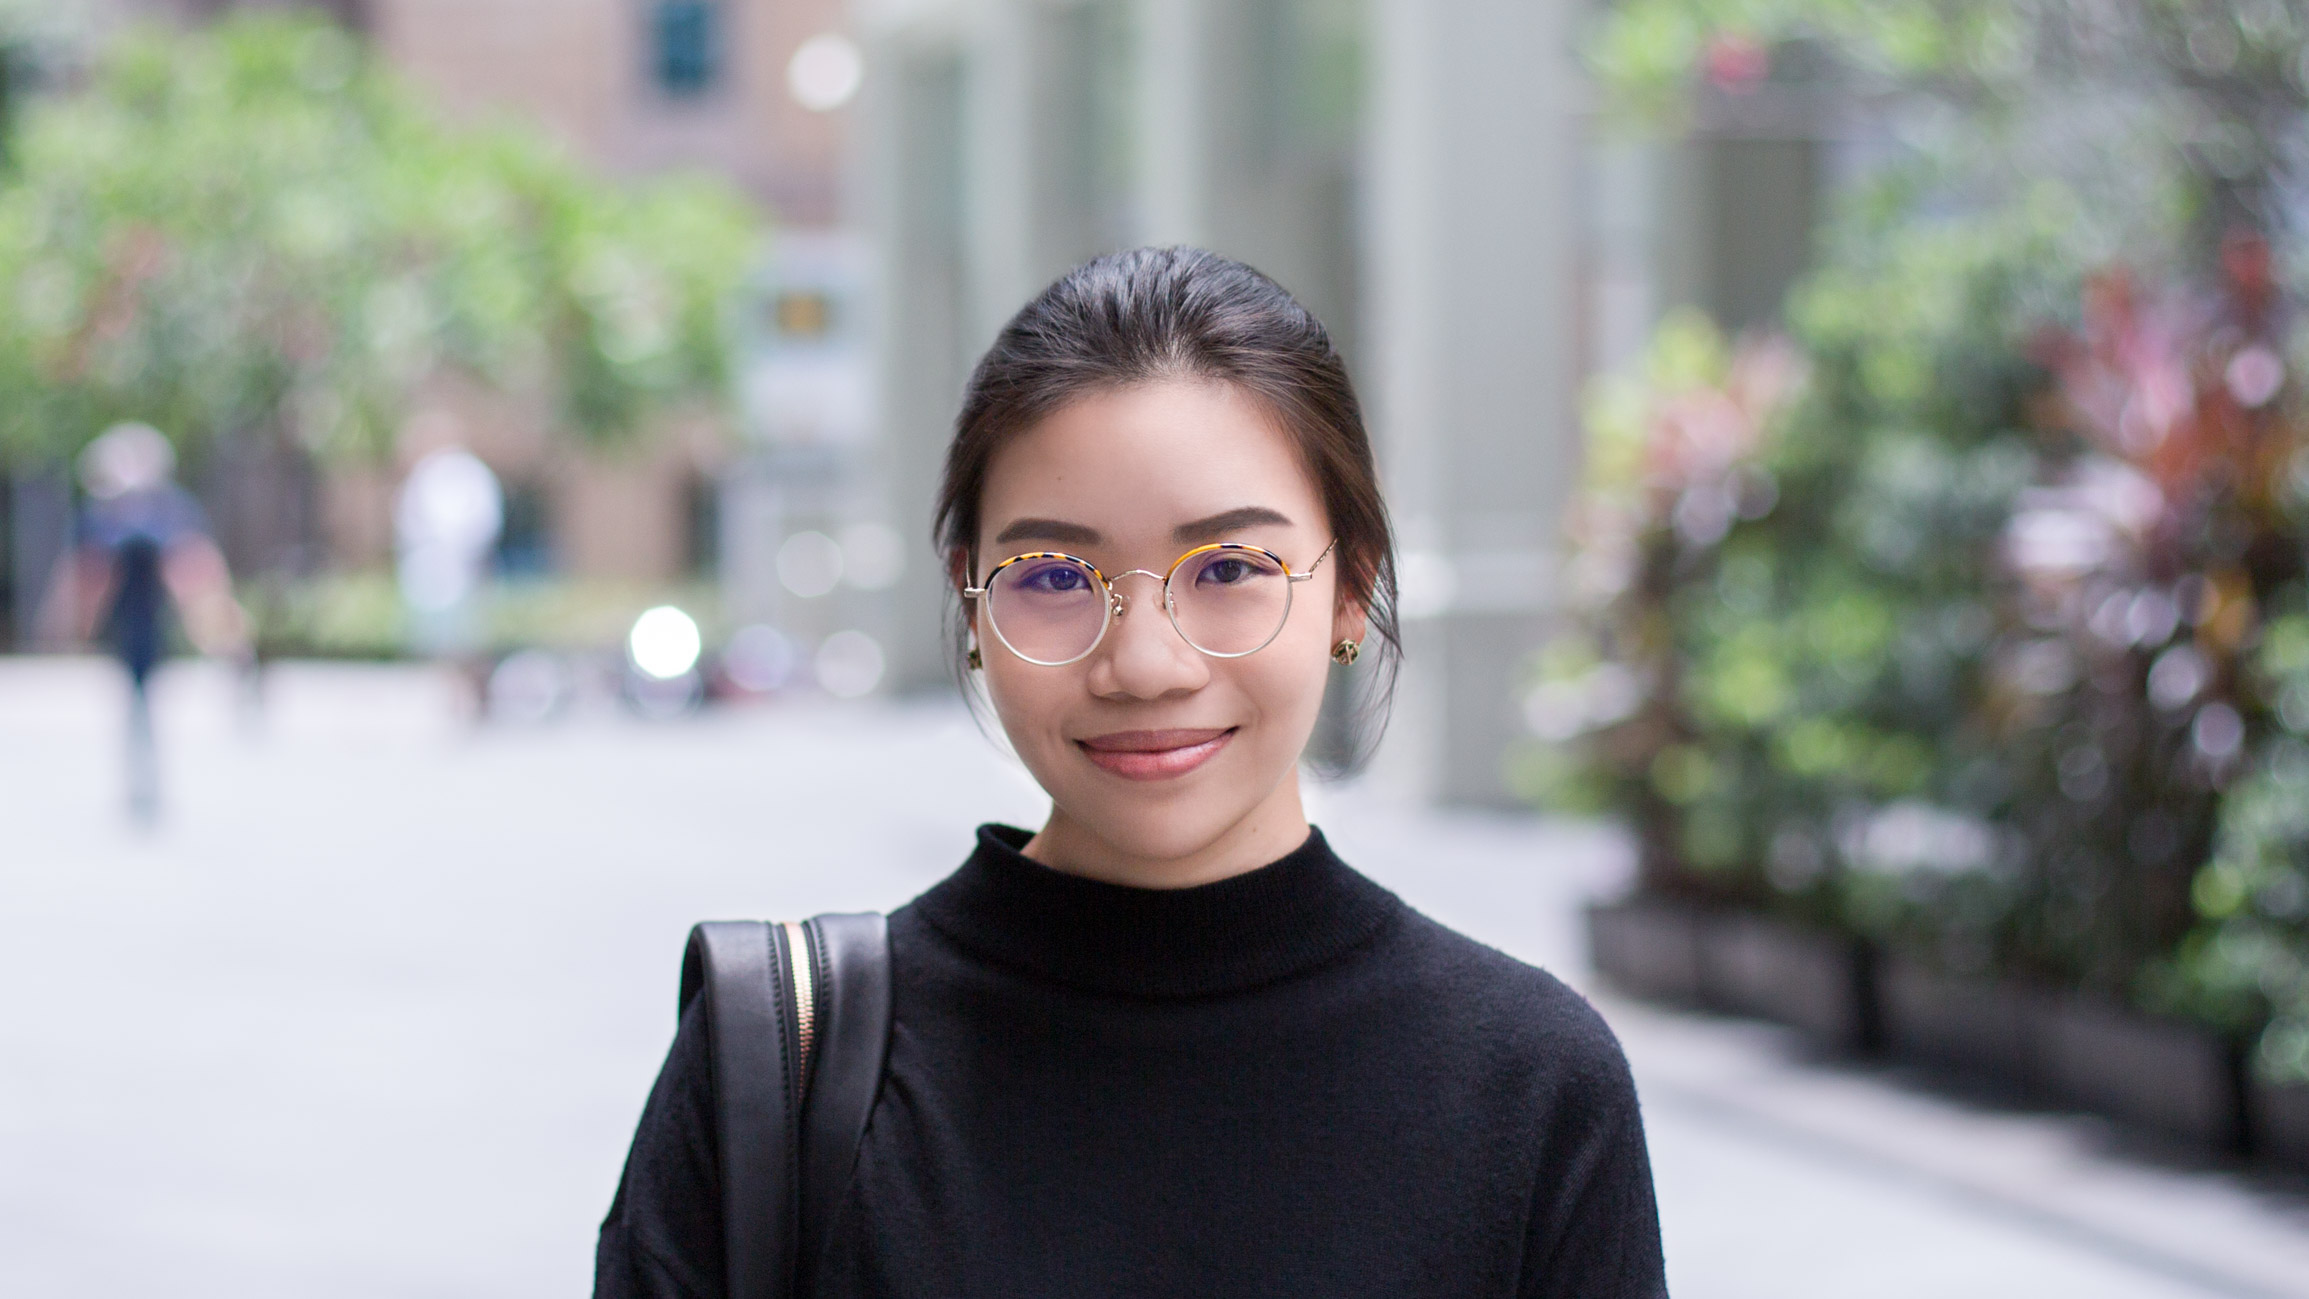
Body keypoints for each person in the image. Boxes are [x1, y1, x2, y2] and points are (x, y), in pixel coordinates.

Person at [594, 248, 1668, 1297]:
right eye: (1055, 577)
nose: (1146, 665)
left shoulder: (1528, 1086)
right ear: (970, 602)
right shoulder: (781, 1069)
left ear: (1351, 589)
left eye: (1230, 568)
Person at [44, 422, 246, 821]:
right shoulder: (118, 513)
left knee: (141, 702)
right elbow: (87, 575)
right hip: (130, 628)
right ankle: (142, 779)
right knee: (138, 703)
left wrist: (219, 632)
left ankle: (144, 779)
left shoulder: (163, 511)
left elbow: (194, 573)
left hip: (150, 625)